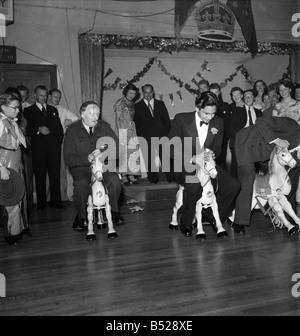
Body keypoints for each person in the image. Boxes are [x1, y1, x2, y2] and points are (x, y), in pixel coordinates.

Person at [168, 91, 241, 238]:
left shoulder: (218, 122)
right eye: (206, 114)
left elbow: (218, 148)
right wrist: (193, 158)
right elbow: (169, 147)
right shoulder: (181, 119)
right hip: (185, 164)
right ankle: (186, 221)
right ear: (197, 108)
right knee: (194, 187)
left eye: (213, 113)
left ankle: (213, 216)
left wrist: (211, 153)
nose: (210, 117)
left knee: (233, 185)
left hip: (206, 164)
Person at [63, 101, 125, 231]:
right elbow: (68, 158)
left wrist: (104, 153)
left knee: (114, 180)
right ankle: (81, 216)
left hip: (103, 165)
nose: (95, 117)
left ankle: (114, 212)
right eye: (91, 114)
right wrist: (86, 159)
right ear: (82, 114)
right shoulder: (72, 130)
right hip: (82, 167)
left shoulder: (105, 127)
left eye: (97, 114)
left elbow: (119, 148)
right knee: (80, 184)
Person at [233, 116, 300, 234]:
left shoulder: (297, 159)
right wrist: (276, 140)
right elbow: (261, 121)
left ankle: (286, 219)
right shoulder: (292, 126)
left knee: (284, 180)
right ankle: (239, 221)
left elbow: (290, 185)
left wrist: (284, 215)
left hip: (268, 154)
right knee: (248, 177)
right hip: (248, 142)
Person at [24, 85, 64, 211]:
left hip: (53, 148)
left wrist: (57, 143)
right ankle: (41, 204)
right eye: (41, 95)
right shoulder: (28, 111)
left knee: (55, 175)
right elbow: (26, 130)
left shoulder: (53, 109)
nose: (43, 97)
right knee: (40, 176)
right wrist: (38, 130)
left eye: (45, 95)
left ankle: (56, 201)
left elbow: (59, 129)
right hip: (38, 148)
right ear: (35, 95)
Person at [0, 93, 28, 244]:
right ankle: (11, 234)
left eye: (19, 107)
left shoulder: (11, 121)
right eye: (15, 107)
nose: (18, 110)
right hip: (6, 161)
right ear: (4, 107)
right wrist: (1, 167)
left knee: (19, 195)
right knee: (10, 198)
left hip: (15, 160)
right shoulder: (0, 122)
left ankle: (18, 229)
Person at [134, 84, 173, 183]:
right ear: (143, 93)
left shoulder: (160, 103)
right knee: (149, 159)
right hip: (146, 137)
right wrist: (141, 137)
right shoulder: (137, 106)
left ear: (153, 92)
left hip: (161, 135)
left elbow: (166, 120)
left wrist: (165, 133)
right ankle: (153, 179)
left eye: (150, 92)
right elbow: (136, 124)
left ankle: (171, 178)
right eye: (146, 92)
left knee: (165, 157)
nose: (148, 95)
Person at [48, 88, 78, 202]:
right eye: (55, 96)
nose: (57, 99)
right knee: (46, 173)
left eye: (59, 97)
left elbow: (77, 120)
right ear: (49, 96)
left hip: (59, 142)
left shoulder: (62, 110)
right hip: (45, 144)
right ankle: (48, 199)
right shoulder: (43, 109)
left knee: (61, 170)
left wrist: (68, 126)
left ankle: (63, 197)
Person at [230, 89, 263, 177]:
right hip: (241, 144)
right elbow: (232, 129)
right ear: (243, 99)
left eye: (250, 96)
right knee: (239, 172)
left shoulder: (259, 112)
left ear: (254, 98)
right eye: (246, 97)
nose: (248, 98)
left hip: (255, 144)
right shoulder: (237, 111)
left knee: (255, 170)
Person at [113, 83, 140, 185]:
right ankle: (124, 176)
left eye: (134, 93)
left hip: (132, 130)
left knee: (132, 152)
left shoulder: (131, 102)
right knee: (123, 152)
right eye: (130, 93)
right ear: (125, 92)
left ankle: (132, 175)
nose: (132, 95)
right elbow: (117, 118)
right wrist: (121, 133)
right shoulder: (120, 103)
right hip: (123, 129)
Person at [209, 83, 231, 170]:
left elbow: (228, 123)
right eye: (212, 92)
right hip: (210, 137)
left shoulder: (225, 105)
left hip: (223, 137)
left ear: (219, 92)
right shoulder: (207, 106)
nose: (214, 94)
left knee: (222, 159)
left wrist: (226, 136)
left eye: (216, 92)